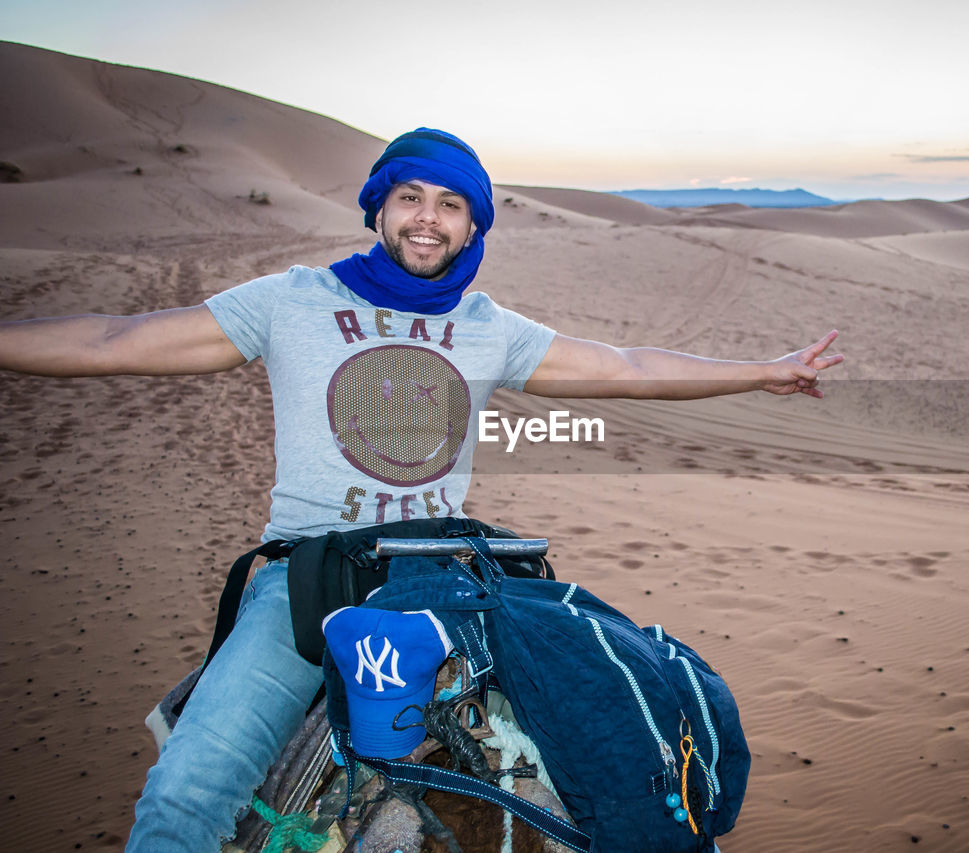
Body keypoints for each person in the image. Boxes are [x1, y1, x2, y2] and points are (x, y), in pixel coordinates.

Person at [0, 127, 841, 852]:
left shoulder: (488, 329)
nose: (427, 217)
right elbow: (117, 336)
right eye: (410, 196)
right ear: (379, 207)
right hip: (307, 580)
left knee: (617, 737)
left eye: (449, 203)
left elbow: (627, 366)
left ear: (473, 222)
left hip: (449, 578)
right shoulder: (291, 302)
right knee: (187, 794)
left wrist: (762, 372)